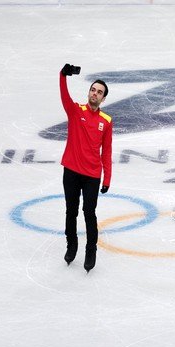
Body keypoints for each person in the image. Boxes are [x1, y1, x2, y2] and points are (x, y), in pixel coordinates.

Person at [59, 63, 113, 272]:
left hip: (91, 175)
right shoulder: (75, 111)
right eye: (93, 89)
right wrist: (63, 75)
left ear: (103, 98)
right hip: (71, 171)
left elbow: (106, 152)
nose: (95, 94)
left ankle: (91, 249)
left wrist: (107, 178)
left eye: (99, 92)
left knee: (89, 213)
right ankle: (71, 245)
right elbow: (64, 96)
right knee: (71, 211)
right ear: (89, 92)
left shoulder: (106, 121)